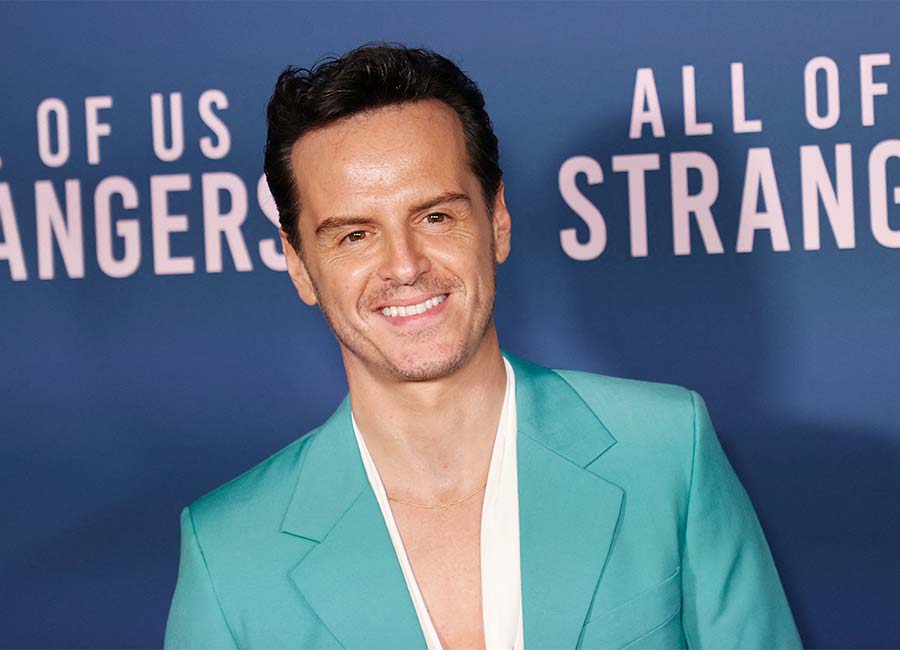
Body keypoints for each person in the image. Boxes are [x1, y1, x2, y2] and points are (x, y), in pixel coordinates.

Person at [164, 44, 802, 649]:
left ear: (497, 221)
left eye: (435, 216)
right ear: (300, 265)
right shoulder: (230, 553)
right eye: (355, 236)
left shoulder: (667, 452)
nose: (405, 266)